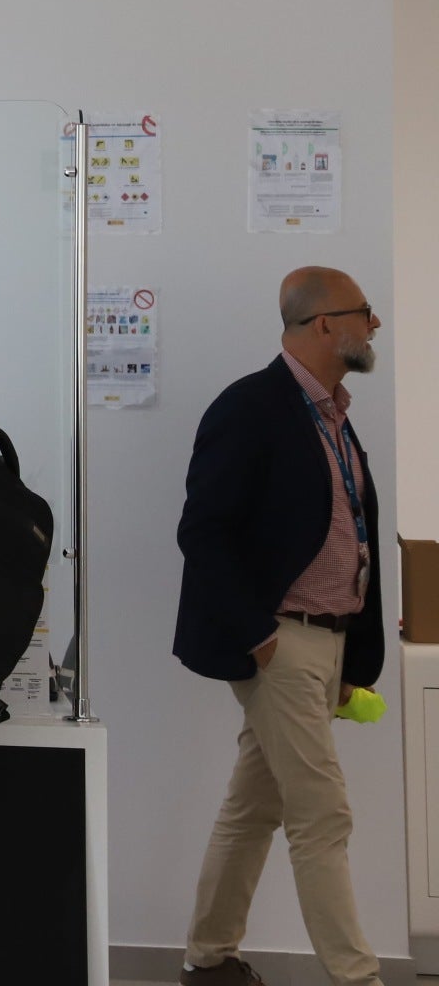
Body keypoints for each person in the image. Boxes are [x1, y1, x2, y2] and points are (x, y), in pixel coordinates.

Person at [172, 267, 386, 986]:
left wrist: (352, 651)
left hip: (326, 642)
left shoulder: (331, 414)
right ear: (323, 324)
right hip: (281, 644)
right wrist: (260, 638)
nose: (375, 325)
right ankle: (358, 978)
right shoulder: (252, 407)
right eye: (364, 313)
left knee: (253, 806)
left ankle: (208, 960)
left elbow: (346, 534)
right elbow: (202, 531)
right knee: (323, 817)